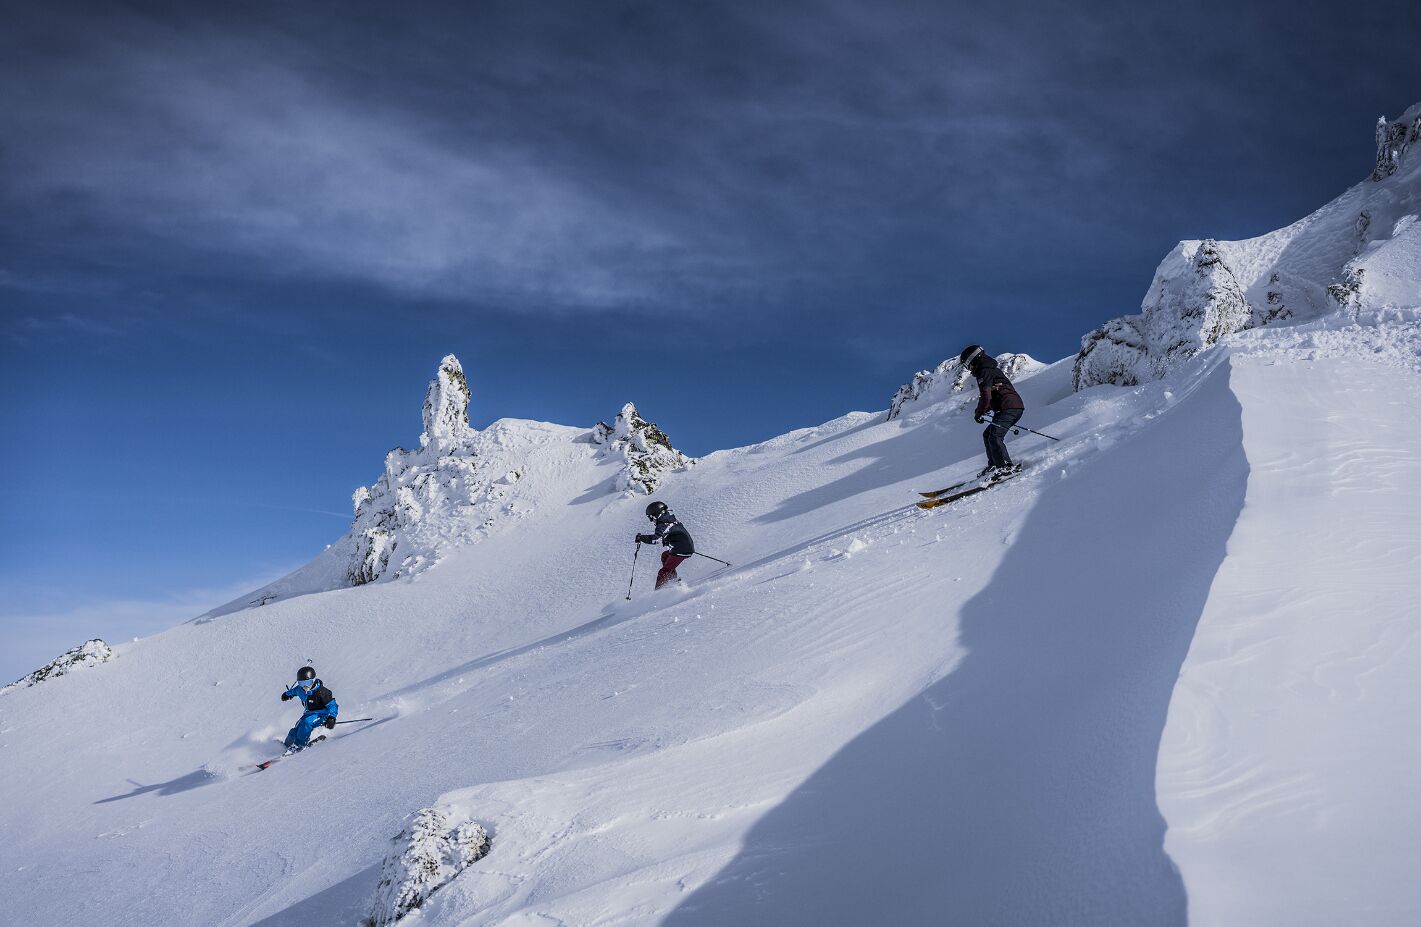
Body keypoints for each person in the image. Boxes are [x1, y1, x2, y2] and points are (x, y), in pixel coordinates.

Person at [959, 344, 1025, 478]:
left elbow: (986, 395)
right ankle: (995, 465)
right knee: (987, 434)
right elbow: (993, 394)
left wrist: (979, 412)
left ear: (973, 359)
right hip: (1008, 406)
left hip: (1009, 407)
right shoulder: (987, 369)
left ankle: (1006, 466)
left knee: (995, 436)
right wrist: (984, 410)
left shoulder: (984, 370)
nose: (968, 368)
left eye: (967, 364)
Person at [635, 500, 696, 589]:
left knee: (663, 571)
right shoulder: (670, 519)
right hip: (683, 547)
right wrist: (669, 539)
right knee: (665, 556)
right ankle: (672, 581)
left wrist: (642, 538)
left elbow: (656, 539)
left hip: (681, 549)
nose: (651, 521)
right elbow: (677, 532)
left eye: (651, 518)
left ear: (657, 515)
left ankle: (659, 592)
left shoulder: (663, 524)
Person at [279, 665, 339, 754]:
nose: (305, 686)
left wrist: (331, 718)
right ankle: (286, 746)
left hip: (322, 715)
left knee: (306, 723)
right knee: (294, 731)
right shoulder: (300, 690)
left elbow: (333, 705)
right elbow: (294, 691)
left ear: (314, 681)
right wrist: (287, 695)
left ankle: (299, 745)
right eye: (302, 683)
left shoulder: (322, 692)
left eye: (308, 683)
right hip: (308, 713)